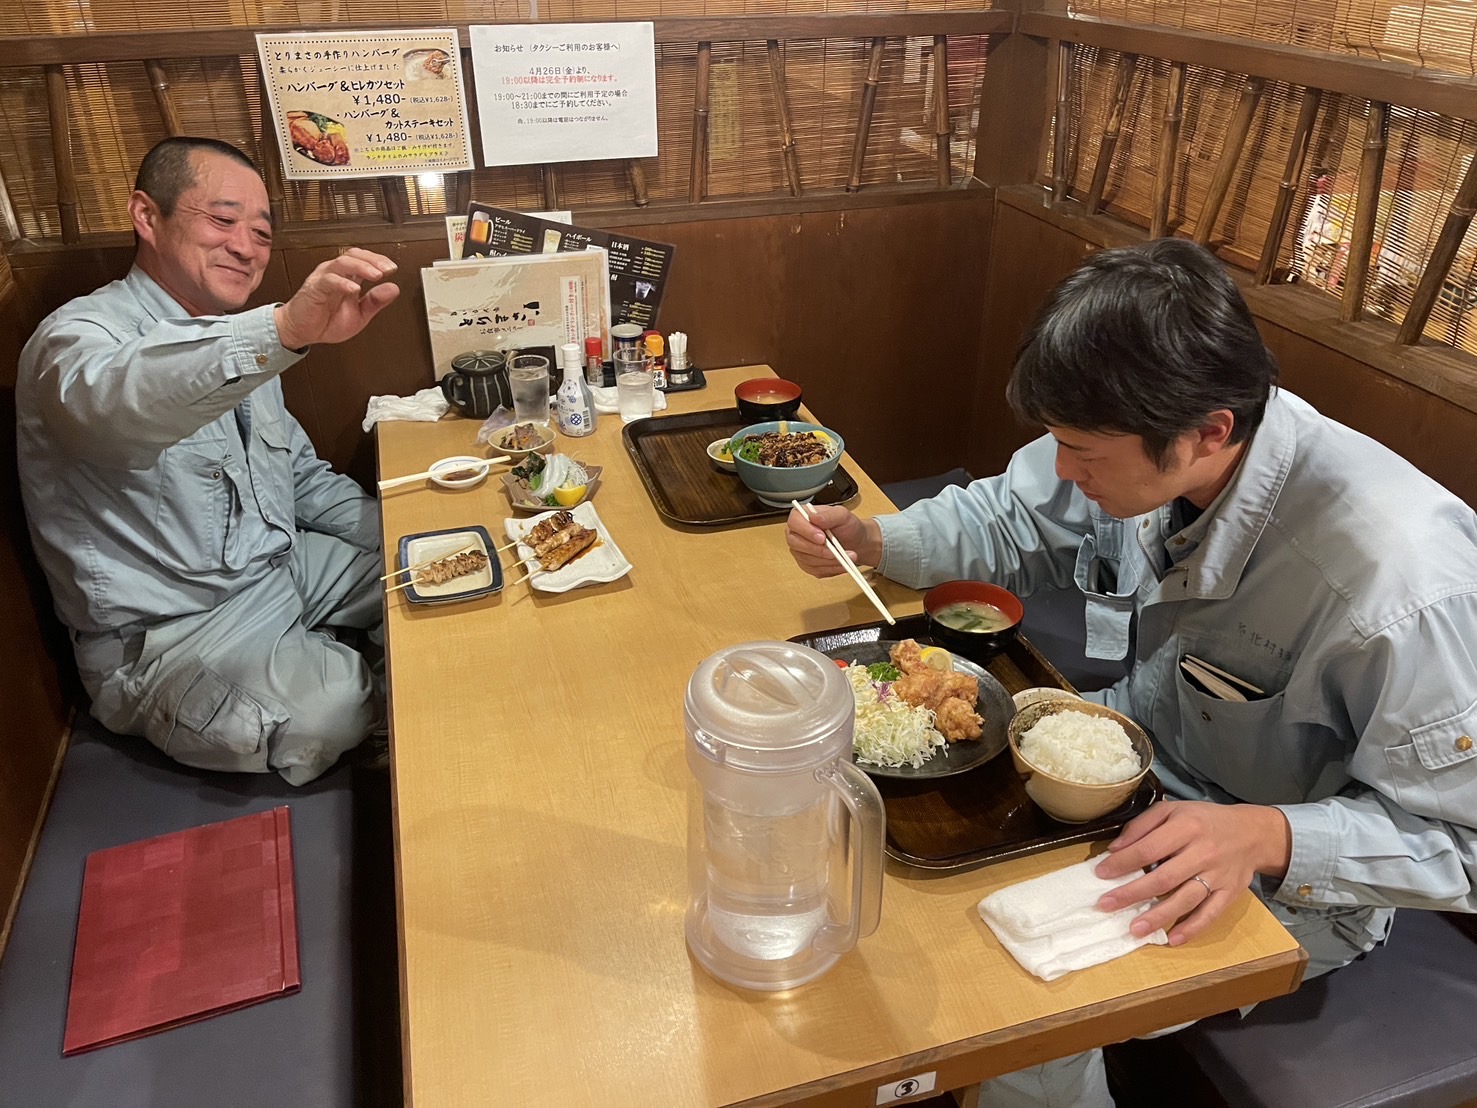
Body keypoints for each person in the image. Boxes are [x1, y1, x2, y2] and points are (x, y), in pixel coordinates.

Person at [787, 238, 1477, 1105]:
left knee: (1024, 1015)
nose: (1063, 469)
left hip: (1281, 877)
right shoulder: (1150, 431)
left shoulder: (1400, 586)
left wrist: (1267, 836)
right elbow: (1013, 515)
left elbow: (1463, 844)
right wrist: (875, 540)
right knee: (881, 856)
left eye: (1082, 452)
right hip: (1127, 767)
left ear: (1208, 432)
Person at [17, 136, 401, 785]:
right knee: (330, 709)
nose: (246, 247)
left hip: (280, 569)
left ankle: (340, 657)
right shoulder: (77, 338)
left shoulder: (246, 338)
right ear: (147, 215)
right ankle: (346, 677)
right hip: (172, 633)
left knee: (430, 573)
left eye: (261, 232)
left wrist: (407, 534)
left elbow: (302, 480)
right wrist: (282, 331)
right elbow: (116, 407)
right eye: (223, 220)